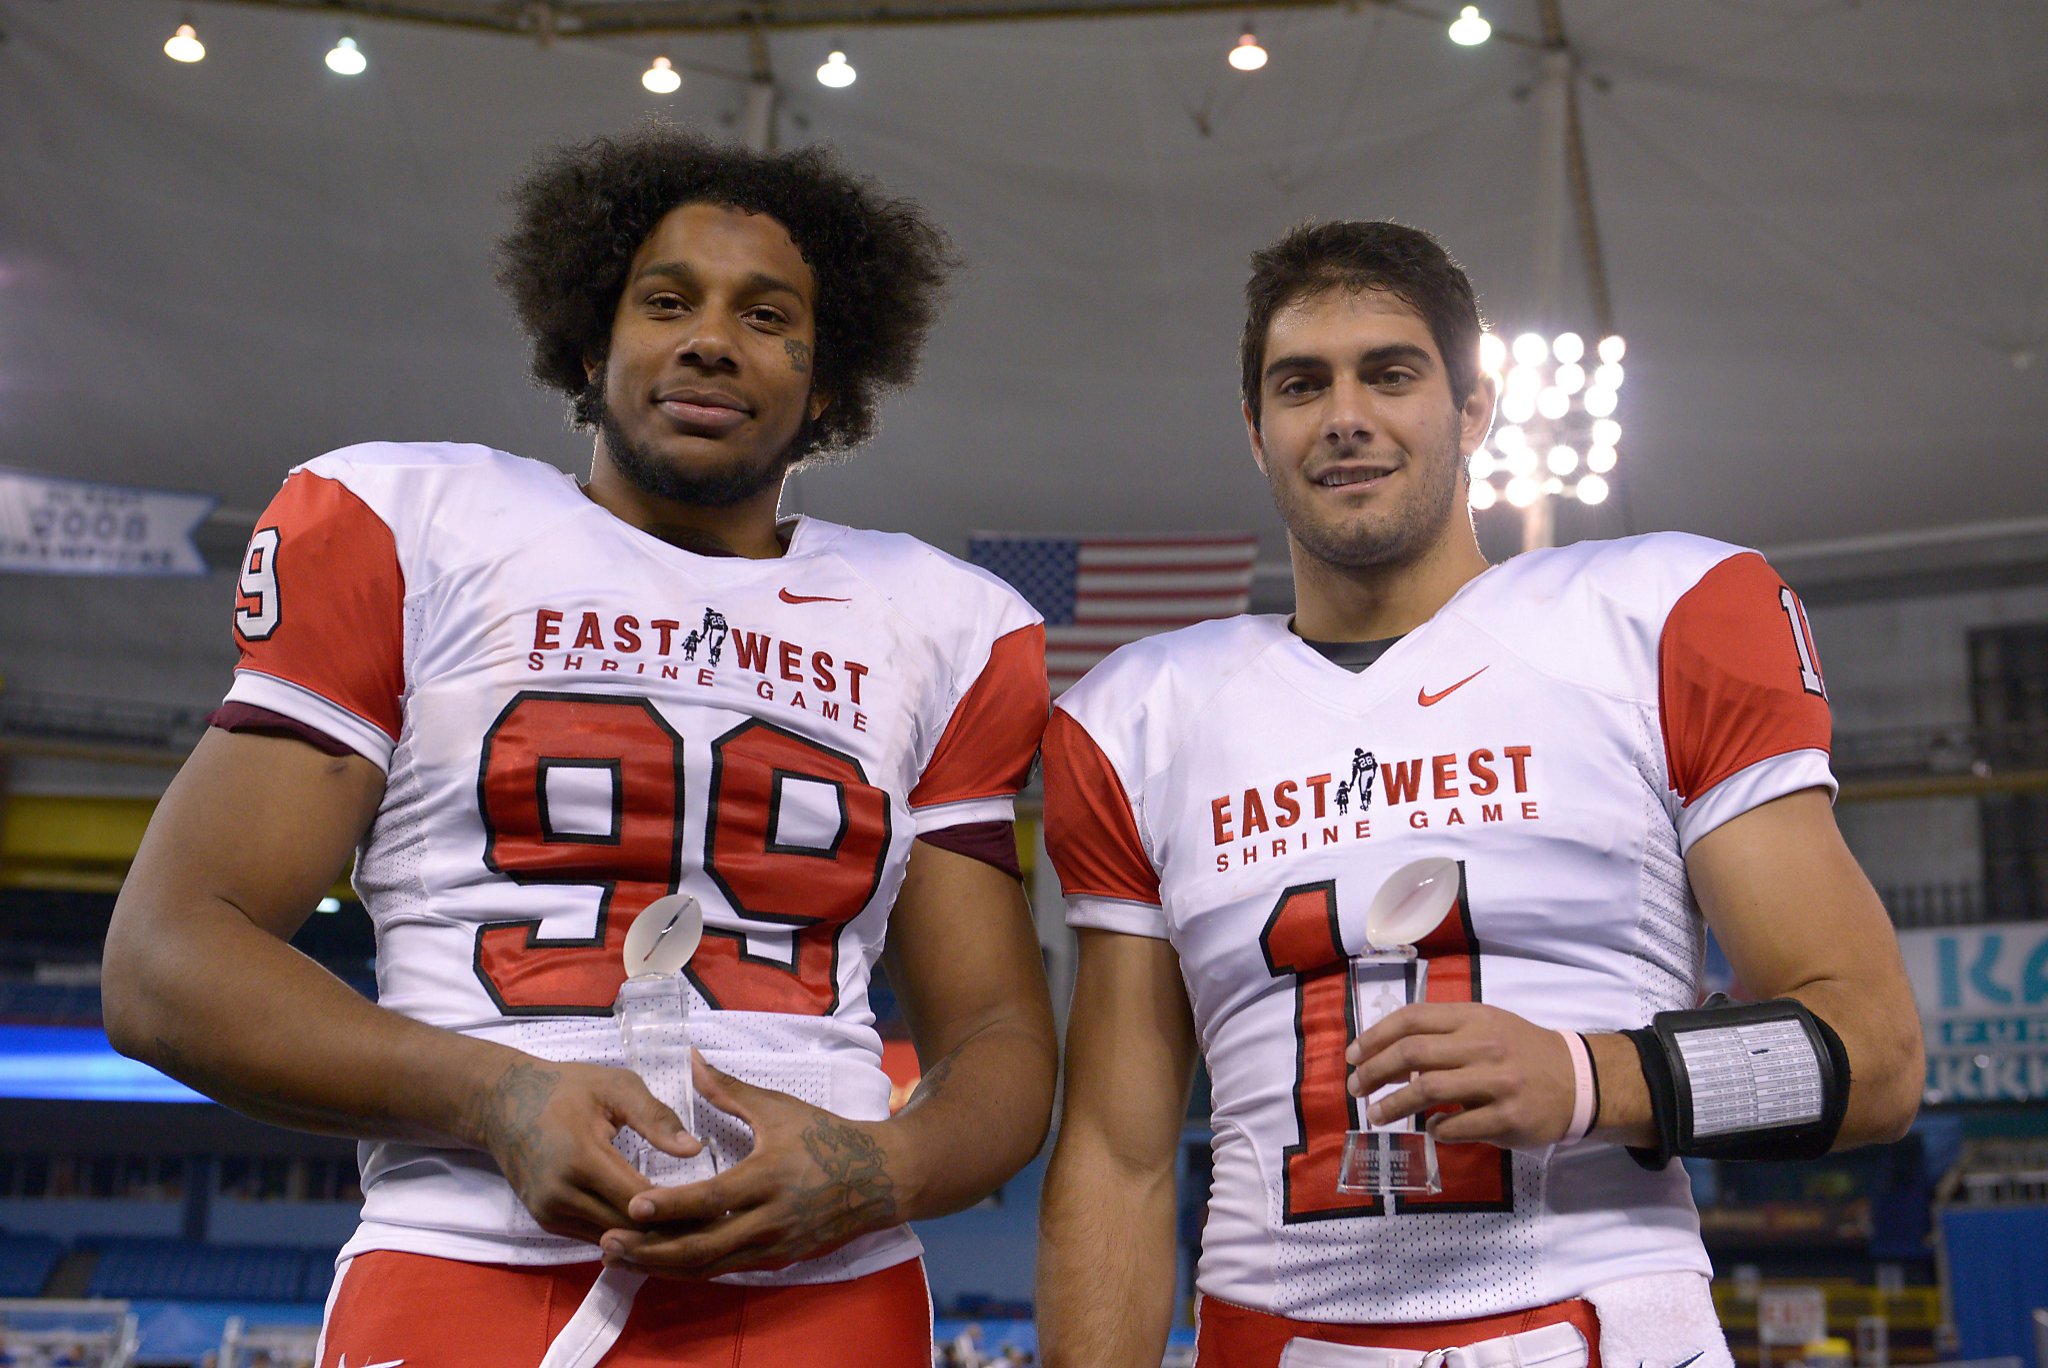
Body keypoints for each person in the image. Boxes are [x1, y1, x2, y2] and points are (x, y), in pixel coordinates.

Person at [103, 127, 1056, 1368]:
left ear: (828, 385)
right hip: (468, 1268)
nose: (710, 337)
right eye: (666, 300)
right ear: (590, 342)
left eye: (768, 316)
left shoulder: (945, 626)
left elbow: (997, 1037)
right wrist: (494, 1095)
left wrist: (886, 1166)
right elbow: (167, 958)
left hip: (827, 1293)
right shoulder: (412, 528)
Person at [1035, 221, 1924, 1368]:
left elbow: (1875, 1057)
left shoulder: (1651, 618)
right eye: (1300, 384)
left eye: (1390, 373)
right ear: (1256, 434)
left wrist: (1589, 1075)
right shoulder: (1138, 717)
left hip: (1603, 1328)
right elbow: (1116, 1154)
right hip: (1272, 1333)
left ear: (1471, 410)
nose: (1344, 414)